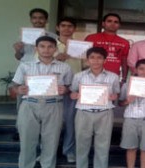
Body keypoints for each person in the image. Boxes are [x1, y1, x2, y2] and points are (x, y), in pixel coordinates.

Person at [12, 36, 73, 168]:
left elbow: (70, 88)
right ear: (36, 48)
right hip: (29, 105)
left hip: (54, 105)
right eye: (42, 46)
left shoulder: (65, 67)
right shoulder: (25, 65)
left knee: (51, 141)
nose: (46, 50)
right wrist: (18, 89)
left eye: (50, 46)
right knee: (27, 141)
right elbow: (13, 86)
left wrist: (66, 90)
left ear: (55, 49)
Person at [70, 47, 120, 168]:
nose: (96, 61)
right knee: (82, 144)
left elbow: (116, 94)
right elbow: (72, 92)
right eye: (92, 57)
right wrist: (74, 95)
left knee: (103, 145)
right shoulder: (79, 76)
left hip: (105, 113)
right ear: (87, 60)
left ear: (105, 60)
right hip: (83, 112)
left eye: (99, 58)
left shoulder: (113, 77)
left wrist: (114, 96)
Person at [55, 17, 80, 163]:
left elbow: (85, 67)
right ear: (58, 27)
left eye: (70, 26)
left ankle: (69, 150)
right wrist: (56, 59)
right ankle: (48, 150)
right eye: (63, 25)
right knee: (50, 123)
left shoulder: (80, 46)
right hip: (53, 89)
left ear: (74, 29)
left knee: (71, 122)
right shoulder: (49, 45)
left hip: (72, 89)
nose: (66, 28)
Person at [85, 13, 130, 83]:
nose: (112, 24)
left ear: (119, 25)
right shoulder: (91, 38)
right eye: (109, 21)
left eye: (116, 22)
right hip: (91, 76)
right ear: (103, 23)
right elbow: (84, 58)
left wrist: (124, 79)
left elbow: (124, 62)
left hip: (113, 78)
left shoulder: (124, 42)